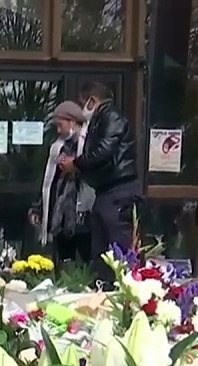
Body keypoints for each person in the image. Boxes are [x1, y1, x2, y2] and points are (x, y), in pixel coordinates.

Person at [58, 82, 139, 282]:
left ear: (92, 101)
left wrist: (76, 163)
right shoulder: (100, 120)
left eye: (82, 103)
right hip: (105, 191)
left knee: (118, 250)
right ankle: (104, 286)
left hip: (118, 191)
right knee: (102, 252)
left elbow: (103, 150)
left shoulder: (111, 117)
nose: (82, 110)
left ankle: (122, 288)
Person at [32, 101, 95, 265]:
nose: (59, 131)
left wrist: (74, 165)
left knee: (87, 263)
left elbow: (94, 170)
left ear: (72, 122)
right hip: (61, 217)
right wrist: (39, 208)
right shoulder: (57, 146)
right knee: (64, 263)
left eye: (61, 125)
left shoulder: (90, 143)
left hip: (84, 215)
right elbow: (48, 182)